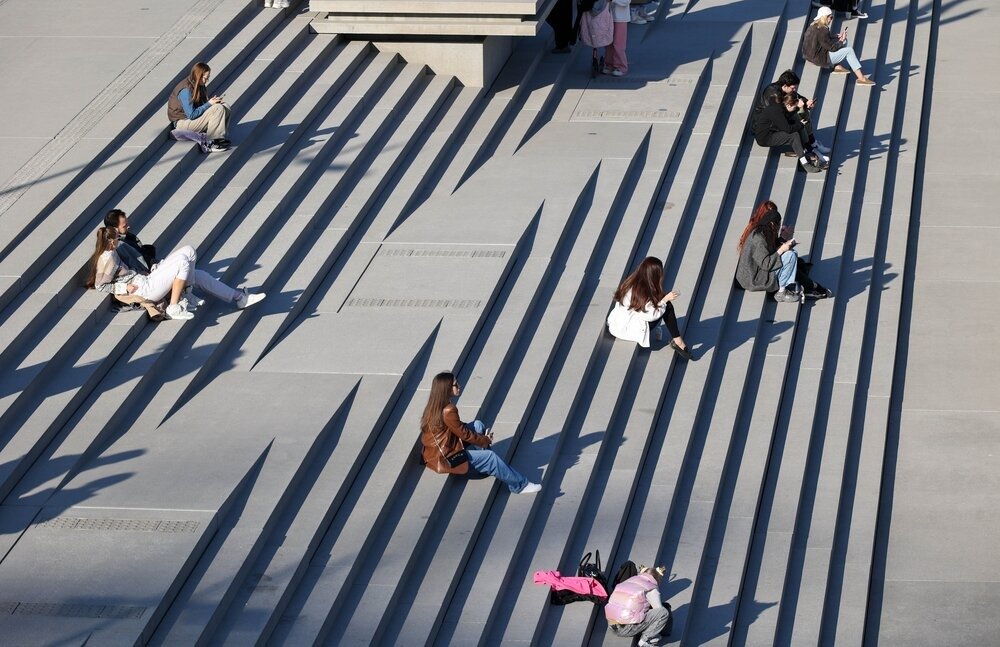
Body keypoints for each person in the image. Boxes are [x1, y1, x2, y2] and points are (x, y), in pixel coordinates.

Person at [85, 227, 265, 320]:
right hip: (143, 289)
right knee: (182, 263)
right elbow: (101, 285)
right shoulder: (107, 258)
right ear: (110, 241)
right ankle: (174, 306)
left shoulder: (113, 251)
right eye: (117, 237)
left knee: (189, 252)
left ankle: (238, 297)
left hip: (146, 279)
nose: (120, 239)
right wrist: (125, 286)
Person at [419, 372, 541, 494]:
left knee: (477, 425)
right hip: (447, 456)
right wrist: (485, 440)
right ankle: (519, 485)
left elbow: (457, 427)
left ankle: (489, 466)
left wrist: (481, 438)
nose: (459, 385)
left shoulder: (434, 405)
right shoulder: (448, 410)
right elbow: (464, 434)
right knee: (491, 457)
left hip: (441, 448)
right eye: (455, 385)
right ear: (446, 389)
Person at [735, 201, 833, 302]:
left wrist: (783, 238)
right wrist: (782, 249)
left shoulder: (765, 230)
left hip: (759, 270)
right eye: (777, 223)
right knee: (790, 256)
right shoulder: (759, 236)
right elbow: (766, 263)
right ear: (771, 222)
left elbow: (769, 250)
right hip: (753, 278)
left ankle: (812, 285)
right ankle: (783, 291)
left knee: (793, 259)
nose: (778, 226)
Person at [607, 257, 694, 360]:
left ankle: (678, 340)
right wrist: (665, 300)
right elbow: (650, 316)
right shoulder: (641, 292)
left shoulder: (631, 282)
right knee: (667, 306)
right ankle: (678, 341)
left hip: (617, 325)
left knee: (663, 302)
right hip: (627, 330)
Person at [755, 69, 831, 163]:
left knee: (802, 112)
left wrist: (806, 102)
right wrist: (798, 108)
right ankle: (809, 148)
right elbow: (779, 115)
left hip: (777, 119)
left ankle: (812, 143)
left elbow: (796, 96)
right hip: (768, 126)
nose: (794, 90)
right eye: (793, 88)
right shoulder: (773, 96)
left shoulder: (785, 89)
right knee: (799, 115)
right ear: (785, 86)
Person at [752, 93, 826, 173]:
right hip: (765, 138)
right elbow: (788, 130)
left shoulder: (782, 106)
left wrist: (802, 107)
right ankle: (804, 163)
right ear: (789, 105)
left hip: (773, 130)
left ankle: (807, 150)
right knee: (794, 135)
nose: (795, 109)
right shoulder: (777, 112)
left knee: (797, 123)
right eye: (794, 107)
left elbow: (789, 116)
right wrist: (800, 124)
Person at [802, 7, 875, 85]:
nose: (831, 19)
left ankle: (836, 66)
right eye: (831, 17)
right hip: (820, 59)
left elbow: (820, 40)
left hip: (808, 56)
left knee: (840, 42)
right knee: (849, 50)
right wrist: (841, 41)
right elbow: (832, 48)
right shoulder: (823, 30)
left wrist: (834, 36)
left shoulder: (812, 26)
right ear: (825, 17)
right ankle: (861, 78)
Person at [167, 62, 231, 150]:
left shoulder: (199, 85)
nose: (206, 81)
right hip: (182, 122)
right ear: (198, 76)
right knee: (217, 108)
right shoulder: (185, 90)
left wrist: (212, 102)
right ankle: (212, 142)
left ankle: (220, 137)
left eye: (208, 78)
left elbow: (201, 105)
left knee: (225, 106)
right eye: (205, 78)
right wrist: (209, 104)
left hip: (192, 120)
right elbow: (192, 115)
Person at [605, 565, 672, 647]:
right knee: (663, 612)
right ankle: (646, 641)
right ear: (657, 579)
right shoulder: (651, 588)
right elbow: (658, 610)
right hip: (625, 629)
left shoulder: (628, 581)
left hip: (612, 625)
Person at [103, 209, 156, 273]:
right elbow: (135, 266)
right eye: (124, 226)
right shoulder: (119, 246)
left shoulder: (128, 236)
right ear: (115, 229)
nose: (128, 227)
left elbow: (143, 253)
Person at [605, 0, 631, 76]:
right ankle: (609, 64)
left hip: (621, 18)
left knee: (618, 44)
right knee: (608, 43)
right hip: (608, 17)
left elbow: (626, 1)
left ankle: (621, 66)